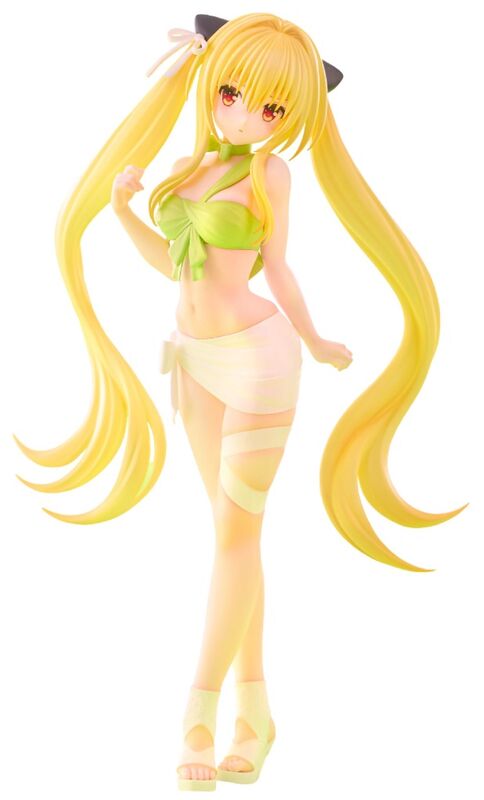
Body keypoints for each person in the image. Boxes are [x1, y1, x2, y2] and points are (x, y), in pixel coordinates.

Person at [13, 11, 468, 792]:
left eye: (272, 108)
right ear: (208, 82)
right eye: (232, 93)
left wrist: (315, 339)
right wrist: (121, 211)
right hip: (189, 360)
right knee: (234, 536)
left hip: (260, 361)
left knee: (233, 537)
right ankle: (258, 715)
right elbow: (177, 268)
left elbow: (277, 267)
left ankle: (198, 712)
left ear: (292, 117)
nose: (247, 116)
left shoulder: (272, 175)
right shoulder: (185, 168)